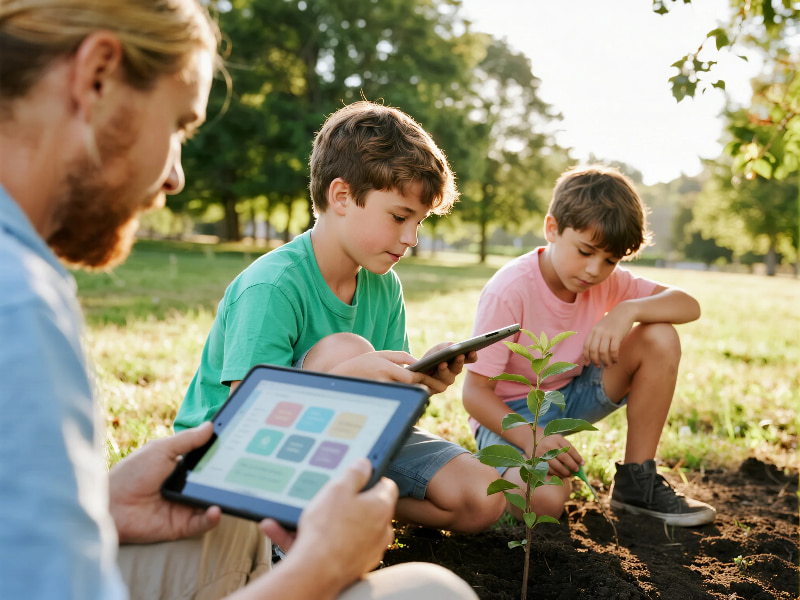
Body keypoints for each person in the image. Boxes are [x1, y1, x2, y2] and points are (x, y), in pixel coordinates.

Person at [0, 1, 479, 599]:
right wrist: (320, 568)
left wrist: (102, 504)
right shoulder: (19, 303)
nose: (175, 176)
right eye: (178, 126)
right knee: (433, 594)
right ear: (96, 76)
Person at [174, 101, 506, 534]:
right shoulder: (273, 286)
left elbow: (385, 420)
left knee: (485, 496)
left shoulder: (384, 285)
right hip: (234, 456)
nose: (411, 238)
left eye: (419, 222)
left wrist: (417, 384)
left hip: (345, 441)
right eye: (400, 217)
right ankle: (302, 525)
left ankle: (348, 505)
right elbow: (247, 421)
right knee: (345, 350)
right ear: (342, 196)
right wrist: (353, 377)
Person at [462, 165, 717, 528]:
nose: (595, 270)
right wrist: (534, 440)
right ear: (552, 228)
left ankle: (635, 481)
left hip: (570, 395)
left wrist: (628, 310)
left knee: (659, 335)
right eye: (585, 251)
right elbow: (474, 395)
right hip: (509, 416)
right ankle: (483, 474)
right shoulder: (510, 289)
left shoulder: (608, 283)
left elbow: (688, 305)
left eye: (611, 260)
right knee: (546, 500)